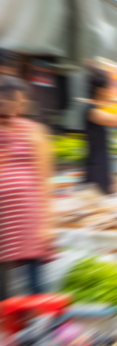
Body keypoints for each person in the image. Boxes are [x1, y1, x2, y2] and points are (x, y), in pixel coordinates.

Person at [0, 76, 53, 299]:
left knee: (35, 284)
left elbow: (44, 179)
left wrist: (46, 223)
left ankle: (38, 317)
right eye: (13, 101)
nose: (18, 108)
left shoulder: (34, 131)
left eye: (21, 103)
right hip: (3, 218)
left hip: (27, 217)